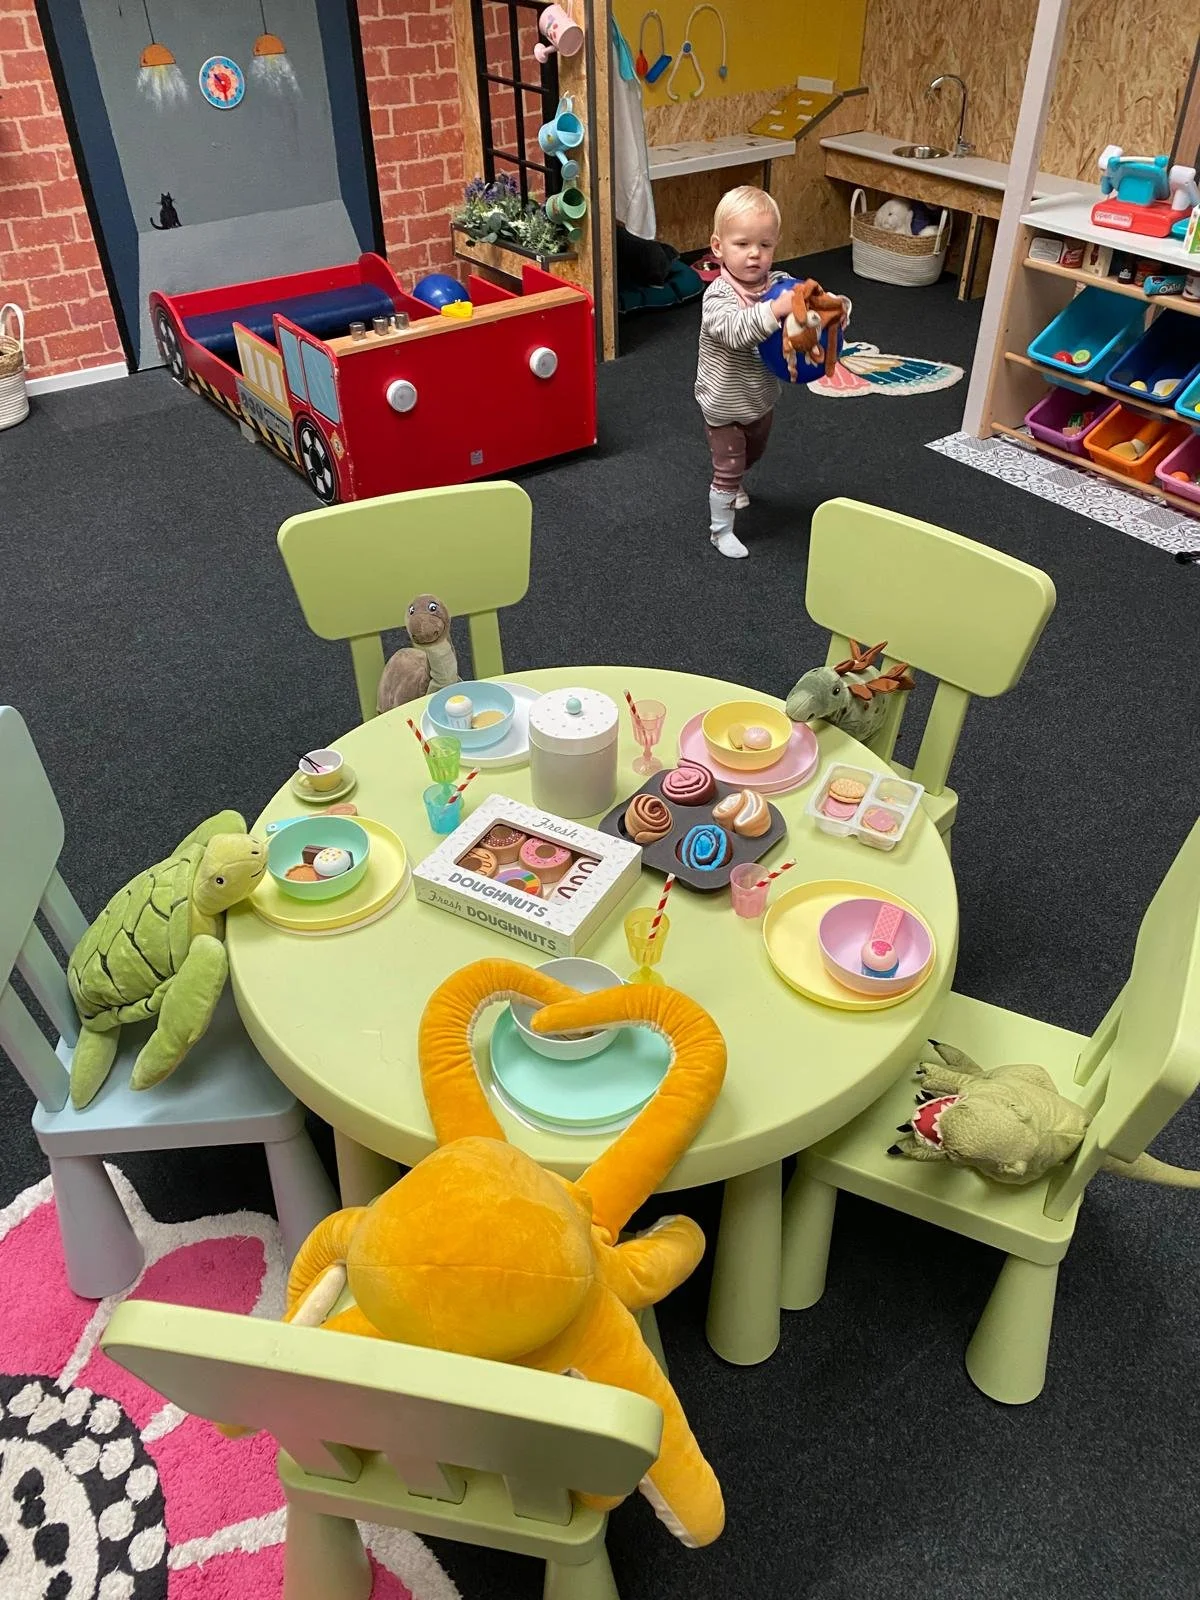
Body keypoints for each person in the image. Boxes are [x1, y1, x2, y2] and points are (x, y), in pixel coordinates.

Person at [693, 185, 791, 559]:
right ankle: (721, 531)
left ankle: (735, 481)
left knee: (754, 453)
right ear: (718, 247)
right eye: (742, 244)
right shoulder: (718, 296)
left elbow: (804, 309)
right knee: (729, 466)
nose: (755, 254)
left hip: (760, 397)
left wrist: (832, 311)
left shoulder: (779, 285)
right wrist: (773, 312)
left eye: (765, 245)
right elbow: (736, 333)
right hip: (722, 402)